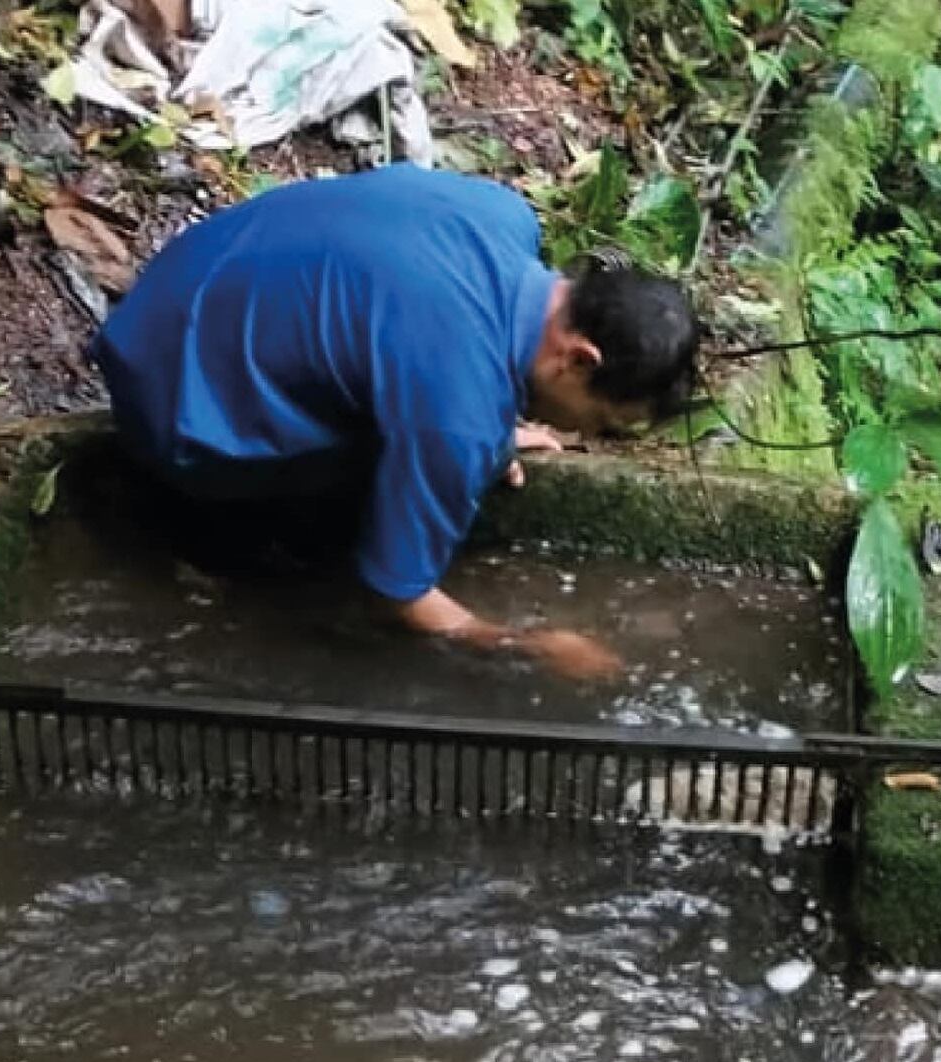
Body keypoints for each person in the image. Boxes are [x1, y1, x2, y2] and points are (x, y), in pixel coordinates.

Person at [89, 164, 700, 681]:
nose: (584, 437)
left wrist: (480, 429)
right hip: (171, 413)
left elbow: (414, 338)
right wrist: (527, 646)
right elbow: (396, 595)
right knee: (368, 540)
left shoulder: (503, 214)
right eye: (600, 422)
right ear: (579, 360)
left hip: (167, 300)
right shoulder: (458, 418)